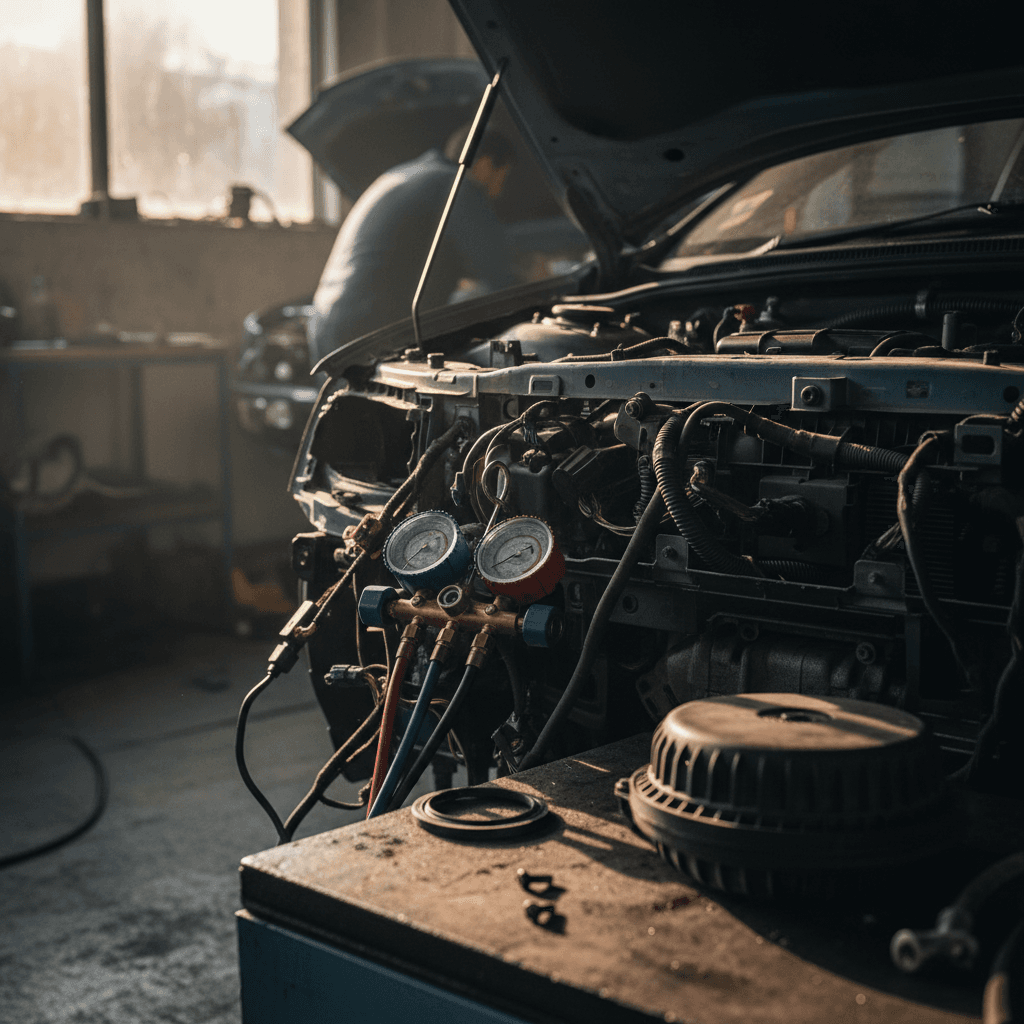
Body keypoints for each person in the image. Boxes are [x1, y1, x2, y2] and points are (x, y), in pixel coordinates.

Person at [307, 125, 516, 365]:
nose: (499, 192)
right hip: (369, 330)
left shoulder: (405, 173)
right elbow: (499, 274)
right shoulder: (456, 185)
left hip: (326, 320)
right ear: (485, 164)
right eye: (503, 177)